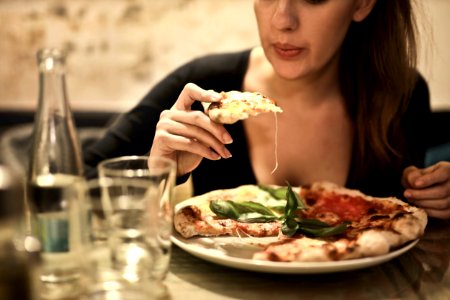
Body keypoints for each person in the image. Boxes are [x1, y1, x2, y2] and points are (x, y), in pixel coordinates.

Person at [84, 0, 450, 219]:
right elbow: (69, 189)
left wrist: (436, 196)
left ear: (362, 3)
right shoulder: (203, 86)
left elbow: (406, 227)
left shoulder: (402, 94)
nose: (282, 20)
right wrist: (157, 175)